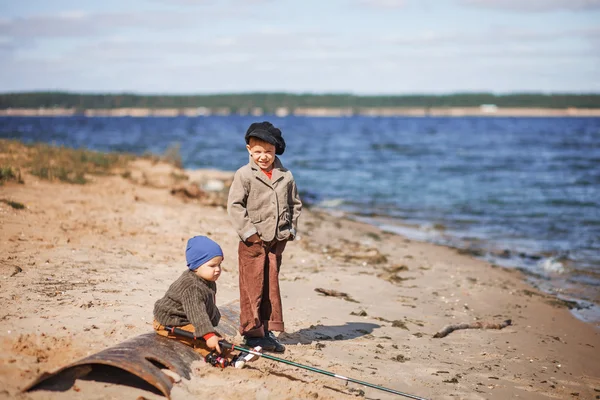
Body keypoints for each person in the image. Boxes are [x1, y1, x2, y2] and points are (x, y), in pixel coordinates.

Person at [227, 121, 302, 353]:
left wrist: (289, 230)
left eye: (268, 152)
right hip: (252, 242)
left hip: (276, 241)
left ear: (275, 151)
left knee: (270, 286)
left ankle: (266, 330)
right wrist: (249, 233)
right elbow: (235, 206)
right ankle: (252, 332)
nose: (263, 157)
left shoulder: (286, 176)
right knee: (252, 286)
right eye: (257, 151)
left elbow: (295, 204)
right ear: (249, 149)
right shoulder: (244, 175)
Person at [153, 235, 228, 357]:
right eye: (212, 266)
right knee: (204, 339)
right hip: (170, 322)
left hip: (185, 317)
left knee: (212, 336)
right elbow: (197, 313)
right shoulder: (192, 287)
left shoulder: (208, 282)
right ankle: (220, 357)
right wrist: (208, 334)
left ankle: (228, 353)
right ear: (196, 266)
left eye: (219, 265)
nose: (218, 269)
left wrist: (213, 318)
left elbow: (208, 303)